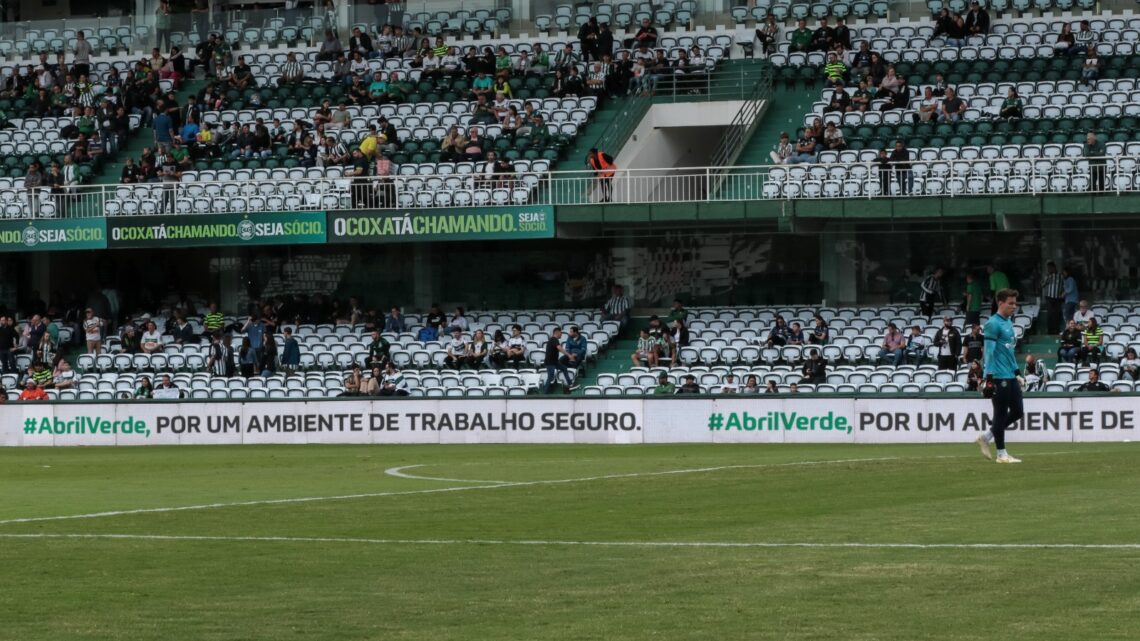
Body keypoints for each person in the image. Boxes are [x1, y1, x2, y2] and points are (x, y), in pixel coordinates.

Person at [975, 288, 1022, 464]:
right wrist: (988, 377)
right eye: (1010, 303)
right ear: (1000, 303)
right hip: (998, 375)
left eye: (1015, 303)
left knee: (1018, 411)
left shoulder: (1008, 322)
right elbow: (989, 352)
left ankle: (987, 436)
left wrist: (1017, 372)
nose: (1014, 306)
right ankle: (1001, 454)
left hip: (1010, 374)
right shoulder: (993, 323)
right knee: (1000, 414)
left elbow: (1009, 351)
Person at [542, 327, 577, 394]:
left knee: (564, 368)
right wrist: (569, 355)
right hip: (550, 363)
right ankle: (545, 394)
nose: (561, 334)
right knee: (550, 377)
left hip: (555, 362)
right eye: (561, 333)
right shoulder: (554, 339)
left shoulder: (554, 340)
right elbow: (560, 349)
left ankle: (570, 385)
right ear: (557, 332)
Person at [1041, 261, 1064, 333]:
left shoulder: (1060, 276)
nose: (1049, 269)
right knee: (1050, 314)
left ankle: (1057, 330)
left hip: (1057, 298)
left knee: (1057, 314)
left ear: (1054, 267)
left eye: (1050, 268)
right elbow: (1042, 285)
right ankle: (1050, 330)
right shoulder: (1046, 276)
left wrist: (1062, 294)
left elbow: (1065, 286)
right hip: (1049, 297)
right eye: (1048, 268)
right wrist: (1047, 279)